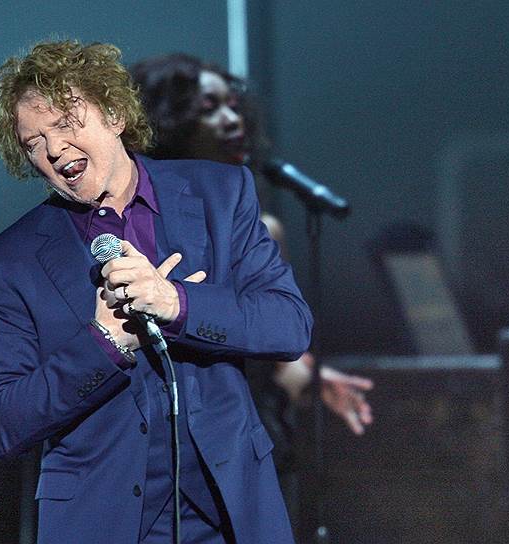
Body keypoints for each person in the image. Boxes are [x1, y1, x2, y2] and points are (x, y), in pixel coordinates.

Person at [0, 40, 312, 543]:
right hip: (101, 520)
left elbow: (289, 326)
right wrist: (105, 343)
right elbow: (1, 424)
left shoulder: (220, 194)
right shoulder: (11, 261)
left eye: (66, 124)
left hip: (230, 509)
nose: (55, 150)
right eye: (34, 142)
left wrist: (177, 303)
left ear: (114, 114)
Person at [128, 53, 374, 526]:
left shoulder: (261, 230)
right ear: (169, 124)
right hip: (155, 440)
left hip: (241, 439)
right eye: (209, 108)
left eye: (234, 106)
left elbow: (265, 353)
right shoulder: (132, 228)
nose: (231, 119)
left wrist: (311, 378)